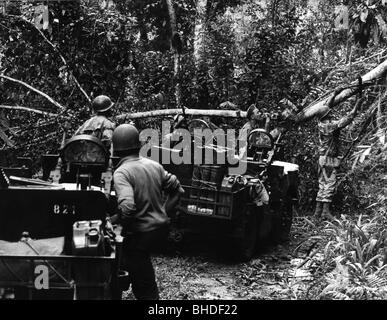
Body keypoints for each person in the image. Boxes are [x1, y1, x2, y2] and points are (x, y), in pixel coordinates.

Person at [108, 124, 184, 300]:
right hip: (160, 229)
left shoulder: (122, 172)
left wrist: (113, 221)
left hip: (142, 233)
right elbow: (178, 190)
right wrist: (165, 213)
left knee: (140, 277)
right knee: (137, 265)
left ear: (116, 149)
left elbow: (127, 208)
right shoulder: (154, 165)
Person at [314, 81, 363, 220]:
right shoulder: (331, 126)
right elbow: (348, 118)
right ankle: (325, 212)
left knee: (322, 184)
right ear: (328, 116)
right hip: (329, 159)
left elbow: (326, 106)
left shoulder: (320, 123)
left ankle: (317, 212)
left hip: (322, 157)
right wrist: (357, 104)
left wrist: (335, 93)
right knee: (329, 184)